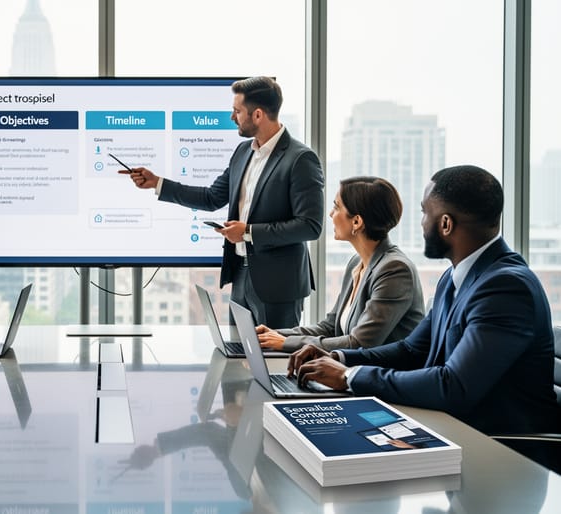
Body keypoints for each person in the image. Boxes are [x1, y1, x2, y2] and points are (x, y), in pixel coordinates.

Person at [288, 165, 561, 468]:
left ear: (445, 223)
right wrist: (341, 358)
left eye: (423, 213)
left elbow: (453, 386)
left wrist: (350, 377)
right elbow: (411, 350)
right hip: (455, 430)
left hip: (503, 454)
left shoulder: (506, 287)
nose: (420, 223)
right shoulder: (454, 277)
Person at [119, 76, 324, 328]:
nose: (231, 117)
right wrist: (157, 183)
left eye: (237, 111)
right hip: (240, 277)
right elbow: (211, 197)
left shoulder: (300, 159)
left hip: (278, 287)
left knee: (274, 363)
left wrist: (247, 232)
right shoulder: (242, 152)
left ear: (257, 115)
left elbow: (310, 226)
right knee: (238, 358)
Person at [255, 176, 425, 353]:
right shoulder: (356, 263)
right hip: (350, 370)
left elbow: (359, 343)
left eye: (336, 207)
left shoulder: (395, 270)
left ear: (357, 222)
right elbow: (330, 327)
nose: (330, 214)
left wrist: (285, 343)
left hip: (381, 375)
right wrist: (275, 335)